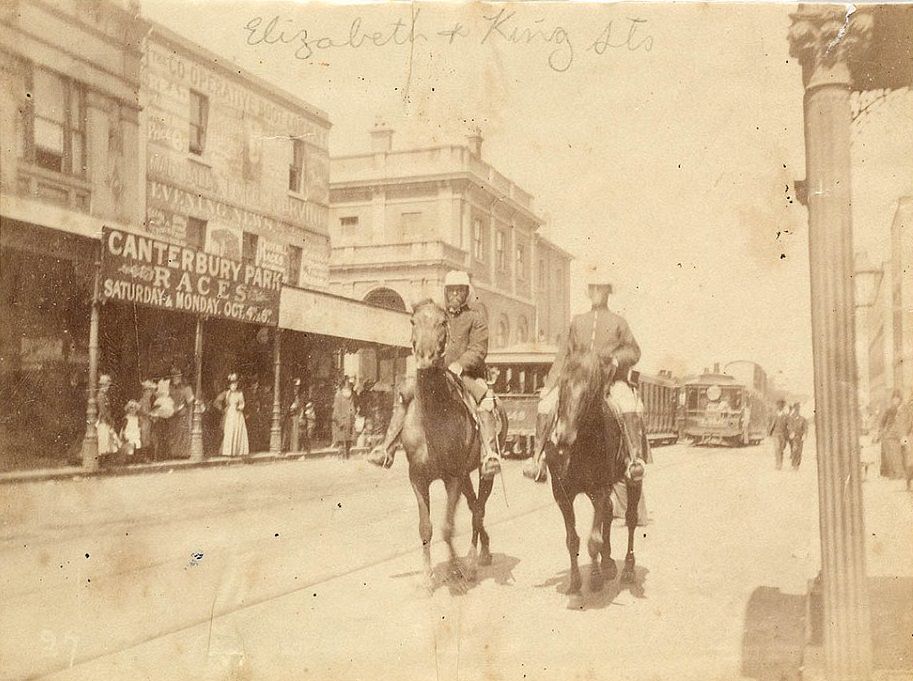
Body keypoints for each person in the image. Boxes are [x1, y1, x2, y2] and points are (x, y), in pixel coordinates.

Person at [367, 270, 502, 478]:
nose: (455, 294)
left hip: (467, 374)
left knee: (486, 401)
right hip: (435, 371)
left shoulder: (476, 318)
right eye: (451, 290)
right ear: (446, 292)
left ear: (466, 292)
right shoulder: (440, 315)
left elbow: (479, 349)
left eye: (460, 290)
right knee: (405, 395)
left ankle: (489, 454)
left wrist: (460, 364)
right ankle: (387, 449)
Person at [524, 264, 646, 485]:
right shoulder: (578, 321)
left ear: (608, 292)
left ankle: (633, 459)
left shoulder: (619, 322)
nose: (597, 293)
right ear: (589, 292)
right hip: (577, 383)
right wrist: (550, 385)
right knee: (545, 405)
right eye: (593, 288)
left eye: (602, 288)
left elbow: (634, 350)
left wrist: (618, 360)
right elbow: (563, 355)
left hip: (609, 381)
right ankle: (537, 459)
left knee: (628, 404)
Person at [213, 373, 249, 457]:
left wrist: (240, 407)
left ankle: (237, 451)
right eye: (232, 385)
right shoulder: (226, 393)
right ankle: (228, 451)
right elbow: (216, 402)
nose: (234, 386)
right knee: (229, 431)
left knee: (237, 430)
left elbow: (242, 403)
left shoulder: (239, 393)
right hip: (229, 413)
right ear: (229, 385)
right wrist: (221, 409)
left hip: (237, 414)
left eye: (235, 385)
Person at [876, 390, 905, 479]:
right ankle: (894, 474)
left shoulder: (904, 409)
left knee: (903, 453)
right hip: (890, 435)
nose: (896, 401)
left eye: (898, 399)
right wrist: (882, 432)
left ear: (900, 400)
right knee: (891, 455)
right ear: (892, 400)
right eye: (894, 399)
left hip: (902, 435)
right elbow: (882, 423)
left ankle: (902, 473)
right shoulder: (889, 410)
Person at [167, 368, 194, 459]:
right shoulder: (169, 388)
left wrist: (188, 414)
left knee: (182, 434)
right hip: (172, 413)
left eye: (178, 376)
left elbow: (190, 402)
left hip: (183, 413)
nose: (176, 378)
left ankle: (184, 453)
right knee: (173, 433)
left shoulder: (186, 388)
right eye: (174, 376)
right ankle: (174, 453)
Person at [333, 379, 356, 459]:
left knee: (349, 441)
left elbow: (352, 408)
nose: (348, 388)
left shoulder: (350, 396)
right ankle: (341, 457)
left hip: (349, 422)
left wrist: (353, 416)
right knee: (341, 442)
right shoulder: (338, 396)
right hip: (342, 423)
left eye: (349, 386)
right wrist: (340, 422)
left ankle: (347, 457)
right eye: (346, 386)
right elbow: (336, 412)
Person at [284, 378, 305, 453]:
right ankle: (288, 447)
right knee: (290, 431)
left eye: (298, 386)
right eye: (296, 386)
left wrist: (301, 415)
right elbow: (287, 404)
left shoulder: (300, 395)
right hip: (291, 415)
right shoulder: (290, 394)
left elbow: (302, 405)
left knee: (296, 432)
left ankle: (295, 448)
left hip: (297, 414)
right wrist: (291, 407)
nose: (297, 388)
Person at [769, 400, 789, 470]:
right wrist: (769, 432)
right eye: (779, 405)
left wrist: (787, 436)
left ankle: (780, 463)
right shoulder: (773, 415)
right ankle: (778, 464)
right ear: (777, 406)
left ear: (783, 407)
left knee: (781, 449)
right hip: (775, 434)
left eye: (781, 406)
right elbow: (770, 424)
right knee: (777, 449)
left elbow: (788, 426)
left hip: (783, 435)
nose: (780, 407)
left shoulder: (786, 416)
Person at [787, 402, 807, 470]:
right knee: (794, 450)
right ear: (794, 409)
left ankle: (797, 464)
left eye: (798, 409)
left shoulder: (803, 419)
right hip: (794, 437)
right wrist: (791, 433)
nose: (797, 411)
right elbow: (789, 426)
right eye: (796, 409)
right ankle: (794, 464)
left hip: (800, 437)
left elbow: (805, 428)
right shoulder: (791, 418)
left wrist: (805, 434)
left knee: (799, 451)